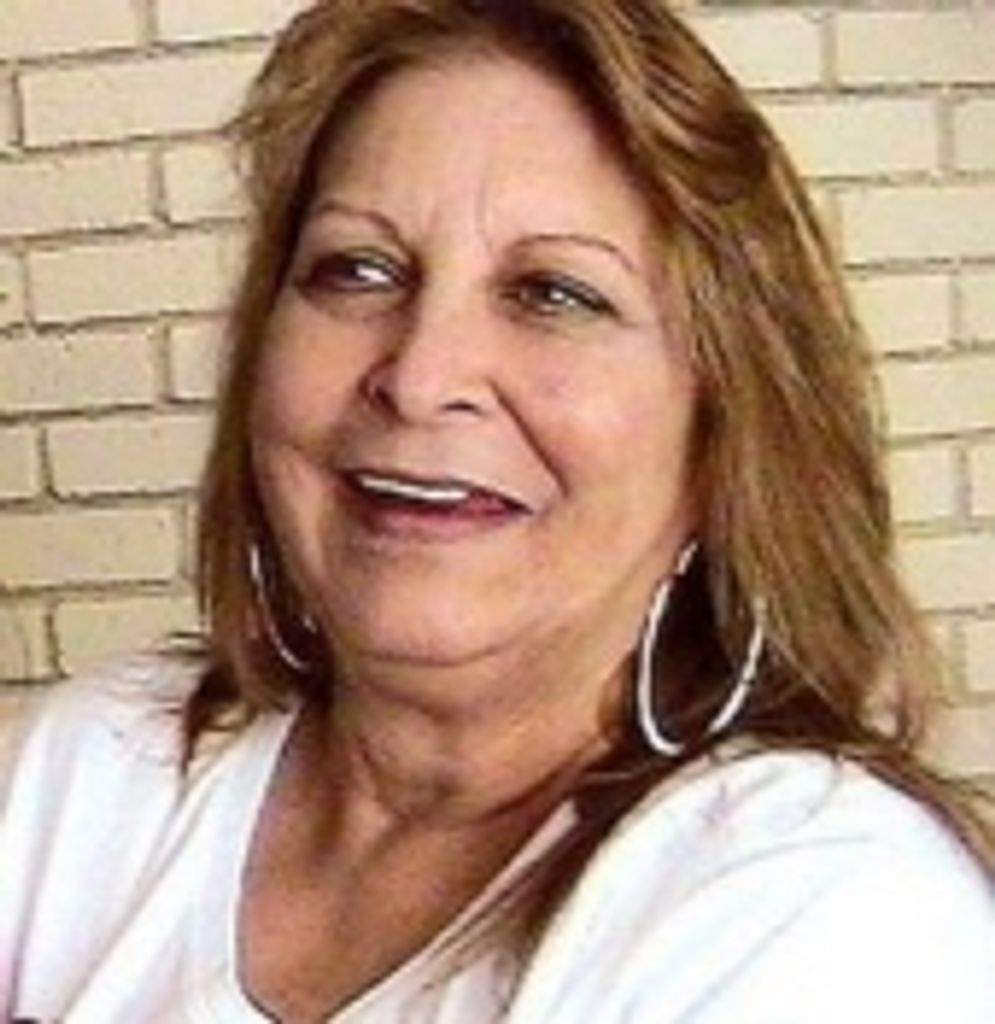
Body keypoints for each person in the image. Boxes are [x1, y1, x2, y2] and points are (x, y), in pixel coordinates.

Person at [1, 1, 993, 1021]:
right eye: (358, 270)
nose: (420, 377)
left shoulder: (822, 907)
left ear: (725, 427)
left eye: (553, 293)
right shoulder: (88, 772)